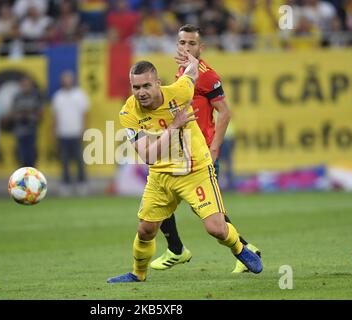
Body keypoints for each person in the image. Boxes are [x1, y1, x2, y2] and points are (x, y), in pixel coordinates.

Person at [107, 55, 262, 283]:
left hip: (195, 171)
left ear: (158, 83)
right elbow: (149, 156)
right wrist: (174, 126)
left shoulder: (179, 93)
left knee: (216, 229)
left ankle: (240, 249)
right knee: (146, 230)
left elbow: (191, 73)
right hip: (161, 175)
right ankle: (138, 275)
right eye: (136, 87)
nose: (141, 92)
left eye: (146, 85)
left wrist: (192, 60)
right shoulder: (129, 112)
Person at [150, 24, 261, 274]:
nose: (186, 48)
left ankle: (245, 250)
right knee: (161, 194)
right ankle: (177, 249)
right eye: (182, 43)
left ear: (201, 48)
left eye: (191, 44)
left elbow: (225, 113)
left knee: (210, 214)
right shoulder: (183, 72)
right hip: (181, 151)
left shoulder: (207, 75)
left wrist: (215, 148)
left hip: (201, 154)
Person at [51, 70, 90, 196]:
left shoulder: (79, 95)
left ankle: (81, 183)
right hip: (62, 133)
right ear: (62, 81)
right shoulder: (58, 96)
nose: (67, 81)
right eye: (65, 79)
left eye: (69, 79)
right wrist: (54, 130)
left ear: (73, 80)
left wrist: (84, 129)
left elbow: (85, 114)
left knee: (79, 160)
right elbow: (55, 116)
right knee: (64, 161)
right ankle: (66, 184)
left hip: (76, 132)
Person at [9, 76, 43, 167]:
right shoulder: (17, 97)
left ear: (31, 85)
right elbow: (12, 113)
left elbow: (40, 113)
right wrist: (21, 115)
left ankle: (32, 174)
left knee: (31, 154)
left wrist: (29, 115)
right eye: (24, 84)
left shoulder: (35, 97)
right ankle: (22, 174)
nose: (25, 86)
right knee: (21, 154)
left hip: (31, 129)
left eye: (27, 84)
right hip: (20, 130)